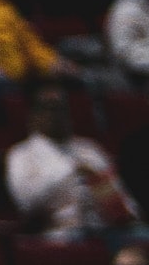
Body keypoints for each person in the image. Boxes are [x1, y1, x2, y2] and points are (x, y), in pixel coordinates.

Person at [8, 78, 139, 239]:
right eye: (51, 109)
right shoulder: (21, 154)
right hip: (61, 231)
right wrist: (71, 171)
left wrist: (129, 211)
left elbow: (116, 189)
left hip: (105, 227)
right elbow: (26, 203)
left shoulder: (90, 149)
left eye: (63, 108)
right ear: (35, 115)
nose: (59, 115)